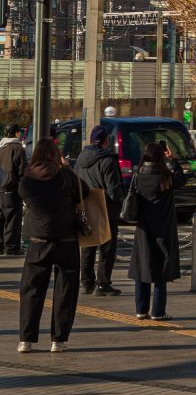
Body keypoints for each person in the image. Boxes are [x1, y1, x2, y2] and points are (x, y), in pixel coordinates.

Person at [17, 137, 82, 353]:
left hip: (38, 240)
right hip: (66, 239)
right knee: (65, 290)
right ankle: (58, 340)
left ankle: (26, 340)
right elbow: (84, 192)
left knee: (31, 290)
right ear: (56, 154)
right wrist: (66, 167)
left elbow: (23, 196)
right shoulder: (65, 175)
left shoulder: (27, 178)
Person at [129, 141, 183, 321]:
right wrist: (173, 160)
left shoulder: (138, 174)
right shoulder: (165, 176)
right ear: (161, 156)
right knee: (161, 270)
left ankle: (141, 309)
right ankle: (158, 311)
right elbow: (181, 180)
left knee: (143, 267)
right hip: (163, 227)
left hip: (143, 228)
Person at [75, 125, 123, 296]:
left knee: (88, 245)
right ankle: (103, 283)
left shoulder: (80, 159)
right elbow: (113, 189)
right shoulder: (107, 160)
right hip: (106, 208)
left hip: (86, 206)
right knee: (107, 248)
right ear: (105, 141)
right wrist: (121, 198)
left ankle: (87, 282)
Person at [0, 123, 27, 256]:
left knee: (1, 218)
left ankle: (1, 245)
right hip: (11, 189)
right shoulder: (18, 148)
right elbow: (22, 171)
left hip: (0, 189)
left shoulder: (1, 147)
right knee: (13, 219)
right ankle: (11, 247)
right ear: (16, 133)